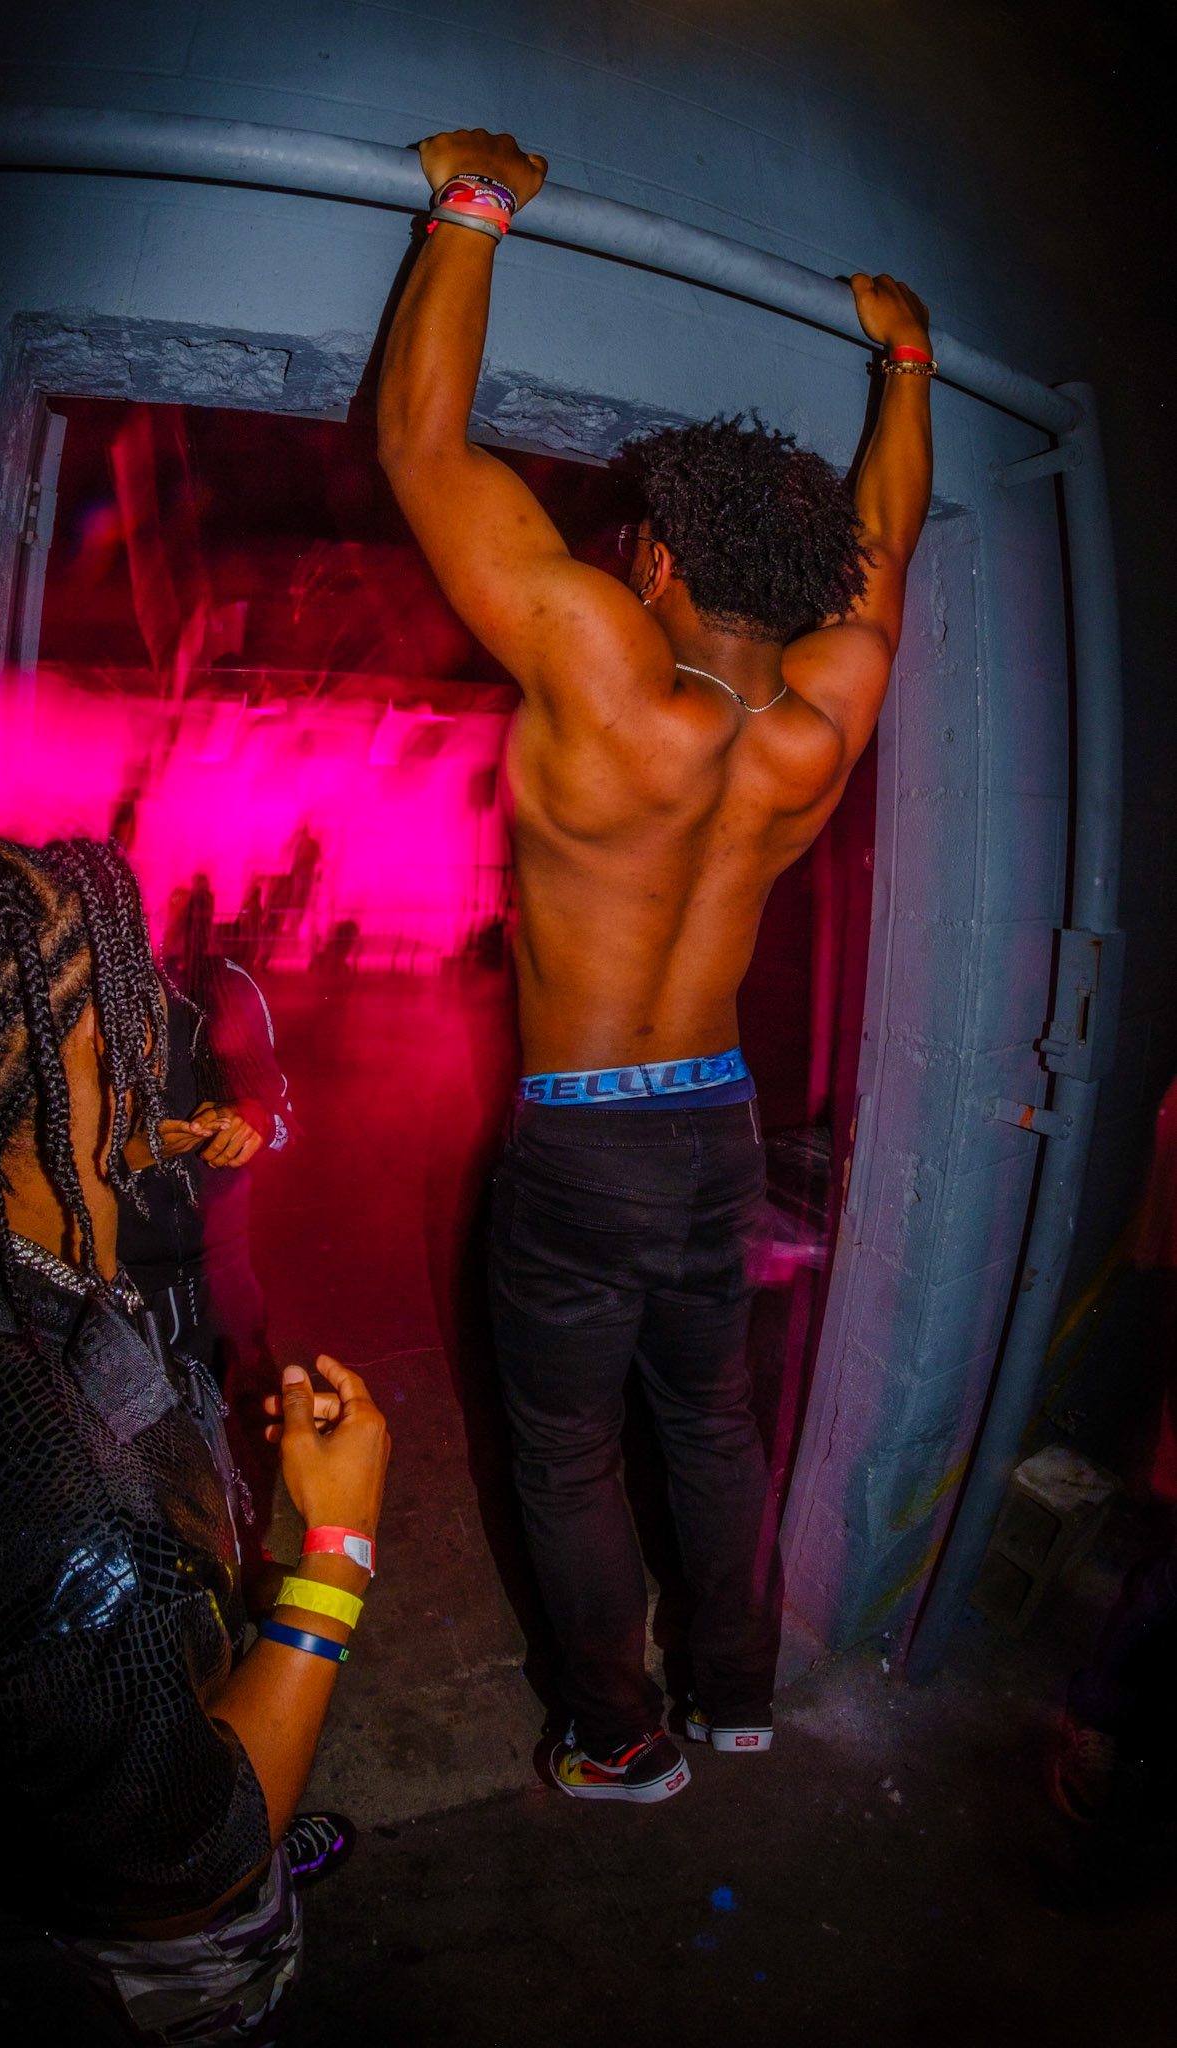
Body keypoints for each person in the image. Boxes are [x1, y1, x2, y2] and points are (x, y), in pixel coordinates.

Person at [378, 129, 932, 1801]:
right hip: (715, 1127)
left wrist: (477, 204)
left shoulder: (609, 667)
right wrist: (906, 362)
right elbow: (888, 542)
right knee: (707, 1423)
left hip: (587, 1136)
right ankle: (733, 1696)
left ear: (660, 560)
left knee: (564, 1451)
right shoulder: (823, 713)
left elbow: (420, 445)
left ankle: (615, 1737)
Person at [0, 827, 389, 2043]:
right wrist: (340, 1545)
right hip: (169, 1907)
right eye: (123, 1024)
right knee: (232, 1902)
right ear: (100, 1063)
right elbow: (192, 1853)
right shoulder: (74, 1513)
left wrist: (177, 1135)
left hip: (45, 1777)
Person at [119, 876, 297, 1527]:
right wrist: (125, 1154)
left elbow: (282, 1117)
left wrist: (253, 1118)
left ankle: (248, 1555)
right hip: (120, 1283)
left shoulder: (223, 984)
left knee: (249, 1440)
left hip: (223, 1272)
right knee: (147, 1464)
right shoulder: (79, 991)